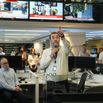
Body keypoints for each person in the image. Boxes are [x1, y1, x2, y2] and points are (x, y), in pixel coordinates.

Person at [39, 31, 71, 102]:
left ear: (59, 39)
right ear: (50, 40)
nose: (55, 39)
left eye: (57, 37)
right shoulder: (46, 51)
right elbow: (42, 66)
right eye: (53, 38)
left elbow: (68, 46)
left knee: (63, 101)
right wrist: (51, 55)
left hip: (62, 82)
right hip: (50, 82)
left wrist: (63, 37)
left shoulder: (64, 50)